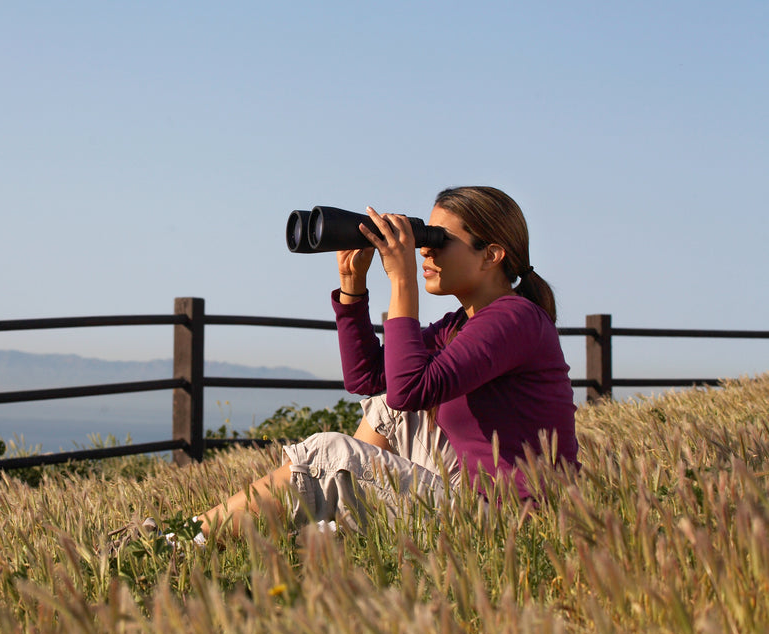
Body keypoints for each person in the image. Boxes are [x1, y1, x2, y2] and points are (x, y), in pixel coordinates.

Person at [192, 185, 580, 541]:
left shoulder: (515, 318)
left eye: (440, 240)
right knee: (386, 406)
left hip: (508, 520)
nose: (424, 251)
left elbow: (410, 389)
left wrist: (402, 280)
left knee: (328, 450)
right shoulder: (461, 324)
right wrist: (352, 287)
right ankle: (334, 519)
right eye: (426, 237)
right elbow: (369, 378)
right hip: (471, 494)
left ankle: (188, 540)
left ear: (491, 255)